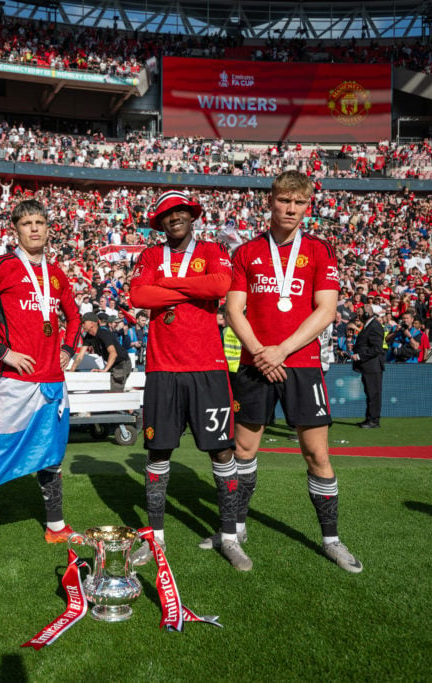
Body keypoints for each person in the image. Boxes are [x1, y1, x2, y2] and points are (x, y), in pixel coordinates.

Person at [224, 171, 362, 573]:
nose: (291, 209)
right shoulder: (247, 252)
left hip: (301, 365)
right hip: (254, 365)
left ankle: (332, 540)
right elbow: (234, 310)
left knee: (316, 453)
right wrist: (261, 353)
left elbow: (326, 310)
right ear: (271, 201)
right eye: (284, 200)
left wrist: (280, 351)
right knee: (243, 452)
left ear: (308, 206)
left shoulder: (319, 250)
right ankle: (236, 529)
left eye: (299, 202)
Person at [0, 198, 82, 583]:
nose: (35, 229)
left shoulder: (57, 275)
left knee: (52, 457)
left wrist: (69, 348)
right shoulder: (3, 266)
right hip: (15, 384)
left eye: (40, 222)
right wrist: (2, 351)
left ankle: (55, 525)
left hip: (53, 382)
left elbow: (74, 316)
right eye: (27, 223)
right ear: (16, 229)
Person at [128, 190, 250, 571]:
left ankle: (230, 537)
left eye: (180, 211)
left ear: (191, 215)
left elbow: (218, 287)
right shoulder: (150, 256)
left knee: (222, 451)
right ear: (160, 222)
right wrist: (184, 293)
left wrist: (166, 291)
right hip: (163, 369)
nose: (174, 218)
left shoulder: (212, 250)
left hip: (207, 367)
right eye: (166, 214)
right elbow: (137, 295)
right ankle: (155, 539)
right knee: (158, 452)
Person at [70, 312, 131, 391]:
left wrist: (105, 369)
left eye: (83, 322)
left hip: (121, 363)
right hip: (112, 364)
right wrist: (71, 371)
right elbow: (80, 356)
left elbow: (113, 353)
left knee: (114, 392)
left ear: (92, 323)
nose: (82, 325)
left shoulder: (103, 333)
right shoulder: (88, 336)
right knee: (107, 390)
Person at [352, 304, 385, 428]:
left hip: (373, 366)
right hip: (368, 367)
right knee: (370, 393)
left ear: (367, 314)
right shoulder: (369, 326)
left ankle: (374, 421)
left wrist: (360, 356)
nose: (358, 315)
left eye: (360, 312)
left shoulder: (374, 326)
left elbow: (377, 348)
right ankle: (369, 418)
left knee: (374, 394)